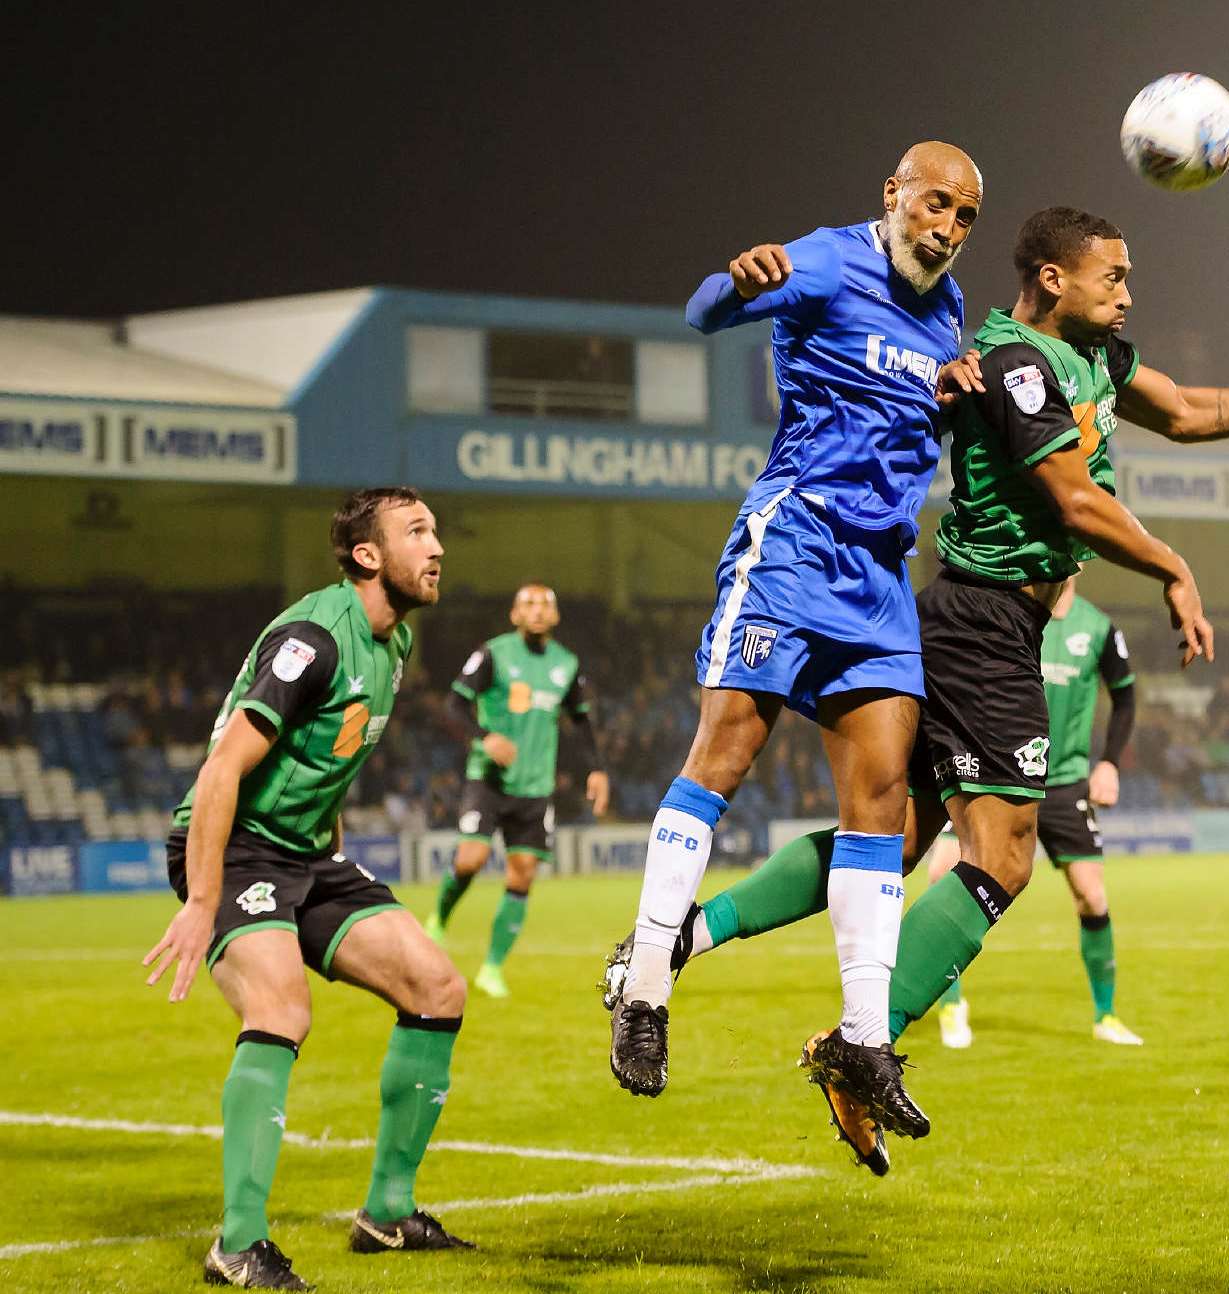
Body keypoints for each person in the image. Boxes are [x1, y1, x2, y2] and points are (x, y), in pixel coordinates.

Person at [635, 205, 1229, 1174]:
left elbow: (1191, 410)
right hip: (985, 624)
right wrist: (1171, 564)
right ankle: (863, 1047)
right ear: (1055, 279)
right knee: (1007, 854)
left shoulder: (1093, 358)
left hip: (975, 621)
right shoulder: (1016, 360)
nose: (1127, 290)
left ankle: (681, 938)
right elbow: (1071, 496)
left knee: (893, 841)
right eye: (1112, 275)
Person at [602, 141, 986, 1150]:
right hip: (793, 541)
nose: (947, 228)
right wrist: (735, 281)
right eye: (935, 205)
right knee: (724, 752)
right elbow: (700, 314)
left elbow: (912, 412)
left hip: (878, 573)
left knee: (883, 799)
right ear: (892, 195)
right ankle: (644, 983)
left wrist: (949, 396)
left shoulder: (947, 311)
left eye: (965, 217)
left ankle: (864, 1041)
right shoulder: (824, 259)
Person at [142, 488, 472, 1289]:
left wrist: (328, 846)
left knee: (436, 986)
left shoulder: (394, 644)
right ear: (368, 555)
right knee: (282, 1008)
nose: (436, 548)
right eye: (416, 533)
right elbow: (222, 768)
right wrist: (199, 900)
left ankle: (388, 1216)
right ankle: (239, 1246)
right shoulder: (314, 638)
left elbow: (328, 756)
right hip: (234, 849)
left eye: (434, 531)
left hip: (305, 854)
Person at [926, 573, 1142, 1048]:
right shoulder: (1006, 613)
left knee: (1092, 896)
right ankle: (951, 1005)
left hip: (1064, 781)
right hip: (995, 771)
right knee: (943, 872)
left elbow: (1125, 695)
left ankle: (1105, 1016)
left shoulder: (1098, 628)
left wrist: (1108, 762)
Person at [425, 584, 609, 998]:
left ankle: (491, 968)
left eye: (546, 604)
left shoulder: (566, 664)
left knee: (522, 872)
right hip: (488, 778)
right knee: (470, 860)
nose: (538, 611)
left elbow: (581, 721)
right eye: (529, 604)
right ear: (514, 614)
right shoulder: (494, 654)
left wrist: (596, 769)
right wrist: (483, 736)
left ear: (556, 617)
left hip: (535, 785)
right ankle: (437, 919)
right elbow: (453, 705)